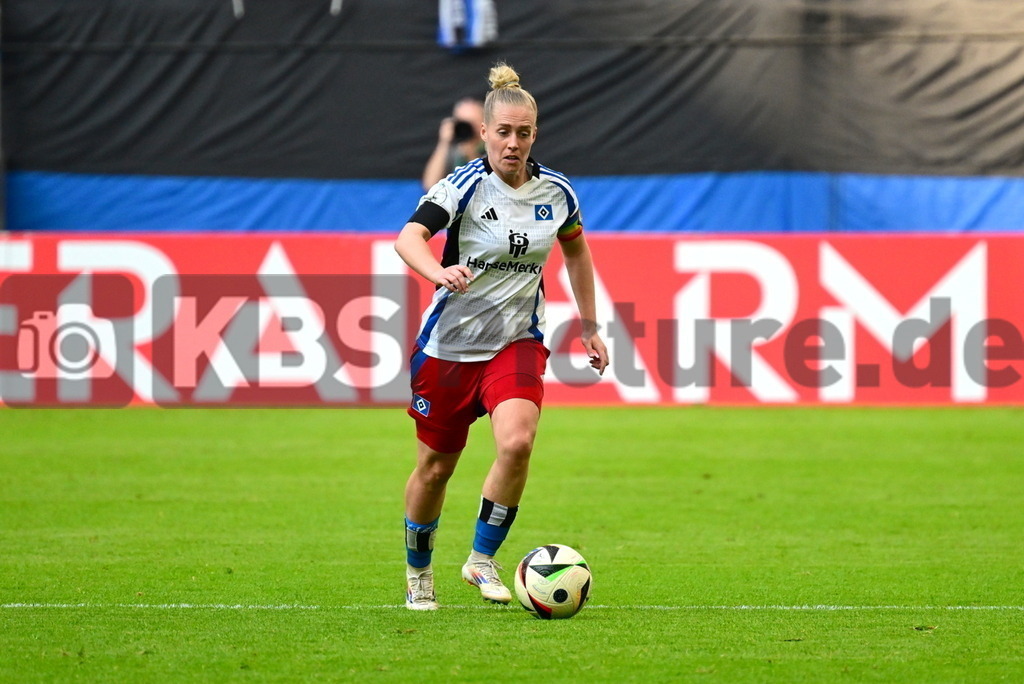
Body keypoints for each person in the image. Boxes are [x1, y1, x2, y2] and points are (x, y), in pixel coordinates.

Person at [395, 62, 610, 610]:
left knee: (517, 442)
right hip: (448, 347)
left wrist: (589, 324)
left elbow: (577, 250)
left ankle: (481, 559)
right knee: (436, 467)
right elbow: (409, 237)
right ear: (487, 133)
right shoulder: (462, 186)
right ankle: (419, 572)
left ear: (534, 134)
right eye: (503, 132)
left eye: (524, 132)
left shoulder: (557, 193)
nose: (513, 143)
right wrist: (437, 271)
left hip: (516, 340)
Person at [421, 97, 486, 191]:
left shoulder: (491, 148)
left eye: (474, 122)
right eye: (464, 123)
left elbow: (486, 185)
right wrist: (443, 143)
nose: (469, 128)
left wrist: (471, 153)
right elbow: (430, 185)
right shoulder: (453, 148)